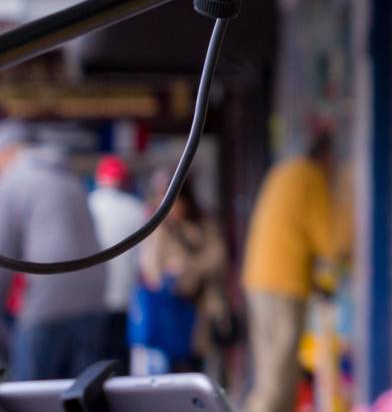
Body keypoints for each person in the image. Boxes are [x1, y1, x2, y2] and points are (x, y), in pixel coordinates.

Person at [240, 133, 349, 412]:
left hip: (259, 279)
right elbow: (328, 241)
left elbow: (292, 232)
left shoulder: (285, 171)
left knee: (270, 371)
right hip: (283, 285)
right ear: (326, 159)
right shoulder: (312, 177)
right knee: (280, 377)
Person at [0, 122, 110, 380]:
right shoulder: (67, 174)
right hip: (94, 296)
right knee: (81, 392)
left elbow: (2, 255)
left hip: (49, 299)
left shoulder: (13, 180)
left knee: (29, 393)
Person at [130, 181, 229, 375]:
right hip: (169, 310)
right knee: (168, 372)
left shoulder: (205, 225)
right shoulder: (159, 227)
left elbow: (217, 258)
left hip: (200, 310)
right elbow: (151, 268)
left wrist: (187, 267)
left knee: (197, 367)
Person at [87, 154, 145, 367]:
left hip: (92, 297)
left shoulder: (88, 205)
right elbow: (144, 258)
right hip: (125, 296)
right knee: (119, 359)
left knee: (94, 362)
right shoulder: (136, 208)